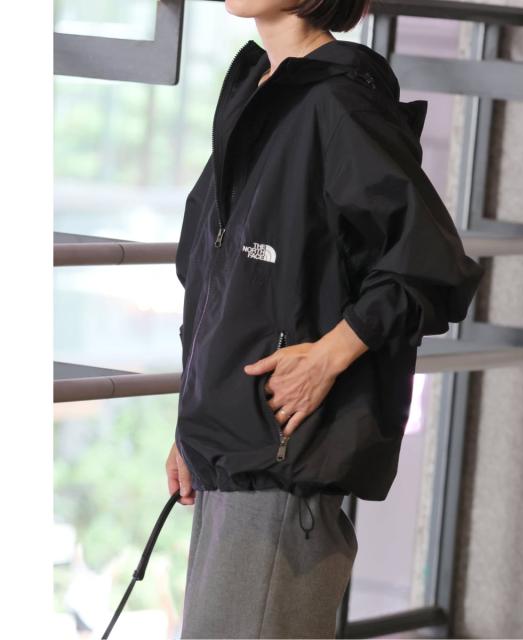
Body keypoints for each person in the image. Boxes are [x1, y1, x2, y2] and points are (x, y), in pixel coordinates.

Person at [166, 1, 486, 638]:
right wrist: (193, 425)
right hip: (233, 457)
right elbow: (220, 285)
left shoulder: (338, 103)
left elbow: (427, 260)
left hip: (285, 464)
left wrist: (329, 356)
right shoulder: (259, 91)